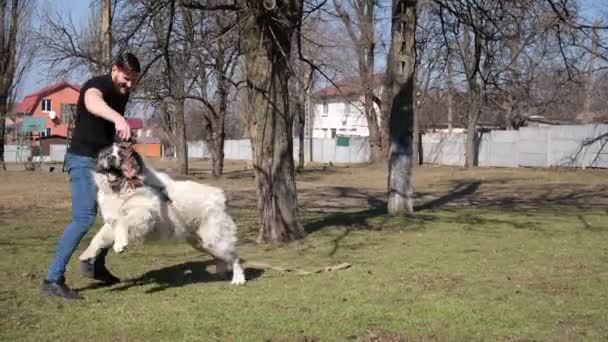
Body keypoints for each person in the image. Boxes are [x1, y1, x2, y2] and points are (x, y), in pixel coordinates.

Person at [41, 53, 141, 300]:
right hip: (82, 160)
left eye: (133, 81)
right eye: (126, 79)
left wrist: (123, 142)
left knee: (121, 213)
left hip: (103, 161)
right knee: (84, 218)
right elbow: (91, 101)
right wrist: (118, 118)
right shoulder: (99, 85)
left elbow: (105, 130)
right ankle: (52, 279)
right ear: (114, 69)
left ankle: (94, 265)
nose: (128, 85)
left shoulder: (122, 93)